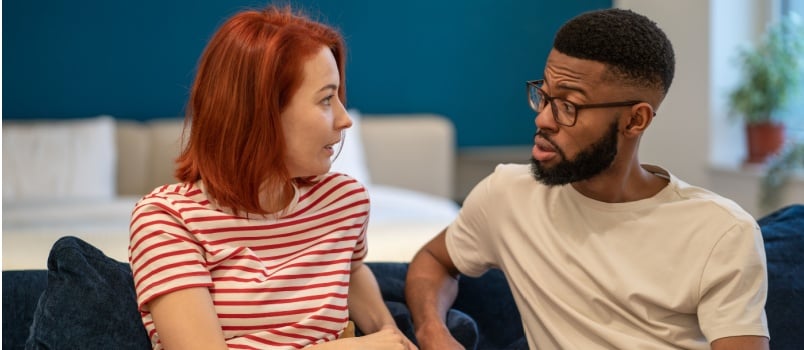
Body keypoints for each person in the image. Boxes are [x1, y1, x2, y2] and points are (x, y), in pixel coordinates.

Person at [405, 8, 769, 350]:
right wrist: (432, 330)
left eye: (568, 106)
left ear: (635, 121)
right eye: (544, 96)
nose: (543, 120)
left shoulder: (722, 231)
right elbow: (433, 261)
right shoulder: (507, 195)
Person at [128, 6, 416, 350]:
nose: (344, 119)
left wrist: (389, 333)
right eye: (326, 99)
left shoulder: (344, 201)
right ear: (260, 112)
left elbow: (350, 272)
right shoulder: (167, 219)